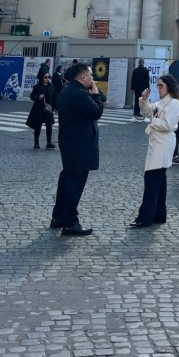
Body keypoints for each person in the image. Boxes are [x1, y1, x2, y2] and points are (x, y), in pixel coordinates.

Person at [50, 62, 104, 236]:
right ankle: (70, 222)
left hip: (70, 142)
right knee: (74, 183)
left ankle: (58, 217)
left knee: (67, 179)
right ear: (83, 76)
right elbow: (96, 112)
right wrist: (95, 94)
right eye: (91, 75)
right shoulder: (80, 94)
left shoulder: (67, 91)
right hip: (80, 144)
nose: (92, 79)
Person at [129, 75, 179, 228]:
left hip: (163, 145)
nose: (158, 88)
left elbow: (168, 125)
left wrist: (153, 121)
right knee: (159, 181)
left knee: (152, 181)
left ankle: (144, 217)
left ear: (169, 86)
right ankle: (159, 214)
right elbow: (147, 111)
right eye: (157, 85)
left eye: (161, 85)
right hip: (157, 144)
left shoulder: (174, 103)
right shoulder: (161, 102)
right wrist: (144, 100)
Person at [26, 72, 57, 149]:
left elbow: (54, 97)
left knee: (49, 125)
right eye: (45, 77)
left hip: (48, 109)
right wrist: (38, 97)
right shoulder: (37, 87)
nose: (47, 79)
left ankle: (49, 143)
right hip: (39, 109)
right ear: (41, 78)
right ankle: (36, 143)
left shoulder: (51, 86)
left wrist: (56, 107)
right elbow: (32, 96)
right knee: (38, 126)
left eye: (48, 77)